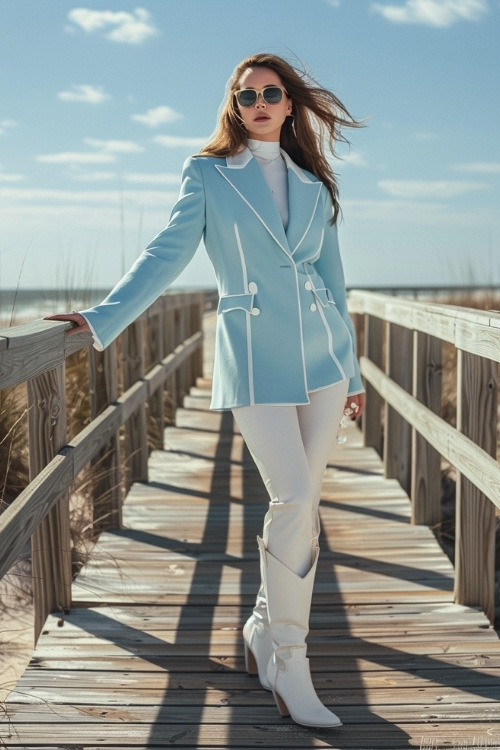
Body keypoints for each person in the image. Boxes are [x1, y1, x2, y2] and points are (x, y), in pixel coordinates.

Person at [47, 52, 365, 728]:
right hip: (253, 356)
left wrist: (356, 373)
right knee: (293, 494)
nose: (259, 102)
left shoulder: (315, 182)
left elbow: (334, 281)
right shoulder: (209, 175)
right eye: (246, 94)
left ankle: (262, 629)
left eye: (272, 93)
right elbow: (166, 253)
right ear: (234, 104)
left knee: (302, 507)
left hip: (324, 358)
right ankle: (289, 659)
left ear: (289, 105)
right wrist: (100, 317)